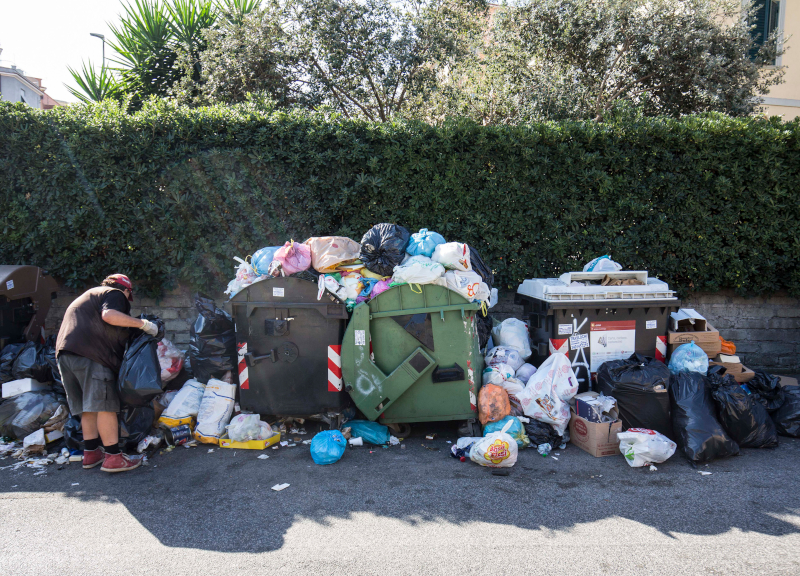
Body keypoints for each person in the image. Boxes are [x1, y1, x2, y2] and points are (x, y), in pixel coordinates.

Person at [56, 274, 159, 473]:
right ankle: (113, 458)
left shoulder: (89, 295)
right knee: (105, 406)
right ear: (126, 290)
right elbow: (110, 315)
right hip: (91, 356)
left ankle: (91, 453)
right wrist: (143, 324)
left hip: (65, 355)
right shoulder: (114, 293)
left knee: (88, 407)